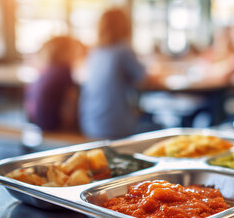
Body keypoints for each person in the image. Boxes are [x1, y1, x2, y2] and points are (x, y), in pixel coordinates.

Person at [79, 8, 153, 139]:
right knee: (155, 125)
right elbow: (144, 78)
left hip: (89, 123)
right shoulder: (123, 50)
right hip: (113, 127)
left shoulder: (95, 52)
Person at [24, 36, 83, 131]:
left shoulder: (46, 71)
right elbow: (70, 110)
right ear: (68, 52)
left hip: (38, 126)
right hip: (54, 130)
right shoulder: (64, 71)